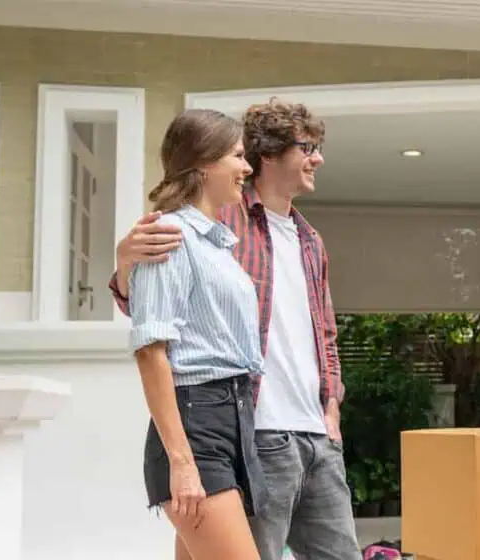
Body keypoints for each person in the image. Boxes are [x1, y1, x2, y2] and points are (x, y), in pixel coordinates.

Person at [109, 98, 360, 560]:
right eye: (307, 146)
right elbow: (150, 324)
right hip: (254, 428)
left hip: (310, 432)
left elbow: (325, 332)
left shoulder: (309, 241)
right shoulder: (214, 221)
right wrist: (126, 264)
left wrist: (331, 406)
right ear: (269, 156)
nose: (318, 158)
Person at [130, 108, 264, 560]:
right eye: (238, 156)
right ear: (205, 163)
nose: (247, 168)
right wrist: (182, 462)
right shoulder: (169, 234)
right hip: (198, 424)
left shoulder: (215, 243)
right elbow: (151, 352)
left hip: (231, 419)